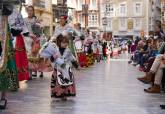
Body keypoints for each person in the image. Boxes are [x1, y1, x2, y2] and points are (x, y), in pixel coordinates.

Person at [40, 34, 78, 101]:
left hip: (66, 69)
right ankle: (59, 93)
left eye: (66, 42)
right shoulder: (55, 50)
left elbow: (72, 58)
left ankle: (65, 94)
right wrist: (53, 57)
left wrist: (76, 64)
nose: (65, 44)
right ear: (59, 43)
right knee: (58, 82)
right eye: (63, 42)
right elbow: (51, 59)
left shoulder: (68, 50)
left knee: (67, 81)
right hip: (57, 69)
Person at [24, 6, 50, 79]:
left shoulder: (36, 19)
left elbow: (40, 30)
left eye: (31, 10)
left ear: (33, 11)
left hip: (36, 39)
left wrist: (37, 36)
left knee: (38, 56)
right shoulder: (24, 20)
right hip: (27, 39)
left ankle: (40, 71)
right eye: (28, 10)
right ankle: (30, 74)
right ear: (27, 11)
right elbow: (23, 29)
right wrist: (28, 35)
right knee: (28, 57)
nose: (30, 12)